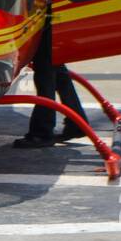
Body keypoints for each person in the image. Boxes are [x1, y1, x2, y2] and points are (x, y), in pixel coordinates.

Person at [13, 20, 91, 148]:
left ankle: (42, 132)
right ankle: (76, 124)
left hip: (44, 16)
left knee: (46, 70)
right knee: (55, 66)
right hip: (50, 17)